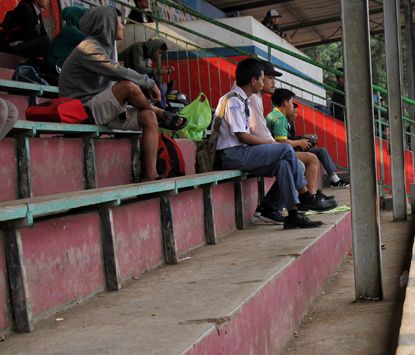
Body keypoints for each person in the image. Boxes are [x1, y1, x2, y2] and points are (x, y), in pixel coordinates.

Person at [59, 5, 187, 181]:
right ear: (108, 25)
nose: (123, 27)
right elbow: (119, 72)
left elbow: (113, 83)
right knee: (128, 87)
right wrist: (149, 83)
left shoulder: (107, 48)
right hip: (81, 109)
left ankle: (151, 175)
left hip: (100, 108)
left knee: (148, 118)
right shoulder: (88, 47)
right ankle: (161, 113)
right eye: (120, 23)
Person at [214, 58, 326, 229]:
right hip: (230, 154)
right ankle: (305, 196)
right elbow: (242, 136)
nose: (264, 81)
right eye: (262, 77)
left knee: (283, 165)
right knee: (286, 149)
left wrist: (270, 145)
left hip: (239, 152)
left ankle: (293, 213)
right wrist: (271, 144)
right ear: (253, 81)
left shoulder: (242, 99)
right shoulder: (233, 100)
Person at [266, 88, 337, 208]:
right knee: (312, 158)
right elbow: (281, 141)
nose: (293, 106)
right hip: (275, 153)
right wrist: (300, 142)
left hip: (272, 151)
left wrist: (301, 141)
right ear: (285, 103)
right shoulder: (280, 118)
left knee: (309, 158)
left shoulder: (273, 114)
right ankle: (311, 199)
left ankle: (310, 197)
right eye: (291, 101)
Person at [282, 96, 350, 188]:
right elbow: (283, 141)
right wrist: (301, 141)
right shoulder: (281, 121)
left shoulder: (290, 122)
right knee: (312, 157)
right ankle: (311, 191)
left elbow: (292, 137)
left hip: (297, 147)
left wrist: (304, 137)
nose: (296, 114)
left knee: (322, 151)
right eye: (295, 112)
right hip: (292, 151)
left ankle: (335, 179)